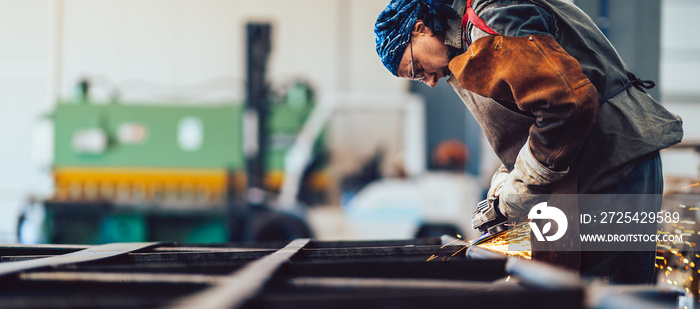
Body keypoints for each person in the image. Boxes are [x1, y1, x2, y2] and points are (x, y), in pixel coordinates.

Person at [374, 0, 683, 284]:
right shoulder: (463, 43)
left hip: (609, 163)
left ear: (420, 28)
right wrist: (508, 175)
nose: (428, 80)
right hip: (576, 167)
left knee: (605, 290)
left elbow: (565, 103)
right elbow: (533, 113)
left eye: (415, 70)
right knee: (560, 287)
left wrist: (523, 183)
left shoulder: (491, 16)